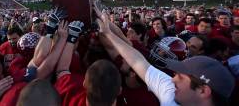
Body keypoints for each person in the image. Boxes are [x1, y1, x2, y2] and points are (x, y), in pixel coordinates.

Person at [94, 6, 235, 106]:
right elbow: (137, 61)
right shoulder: (170, 91)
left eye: (180, 77)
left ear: (203, 91)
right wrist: (107, 32)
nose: (172, 80)